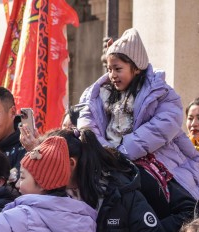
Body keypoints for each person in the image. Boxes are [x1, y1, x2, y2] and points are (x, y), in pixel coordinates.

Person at [78, 28, 199, 200]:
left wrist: (123, 152)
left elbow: (166, 122)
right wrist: (106, 152)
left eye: (117, 69)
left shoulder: (160, 90)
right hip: (111, 165)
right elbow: (87, 122)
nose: (112, 75)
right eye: (109, 69)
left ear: (136, 67)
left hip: (162, 165)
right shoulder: (98, 94)